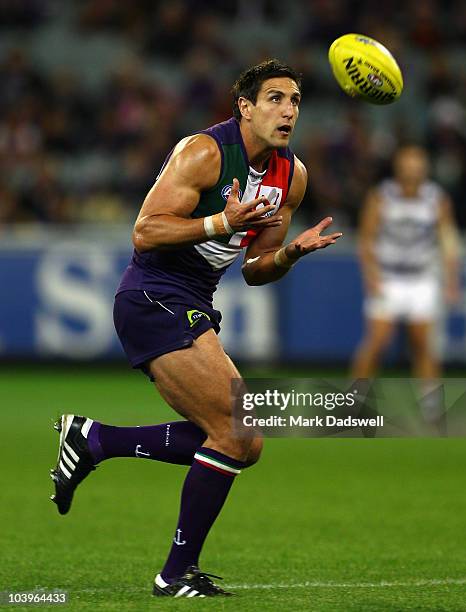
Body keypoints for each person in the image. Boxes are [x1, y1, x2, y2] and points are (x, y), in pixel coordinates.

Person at [49, 59, 342, 598]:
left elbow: (256, 269)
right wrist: (222, 221)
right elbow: (145, 231)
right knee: (237, 431)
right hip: (151, 297)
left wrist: (291, 255)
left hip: (193, 302)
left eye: (296, 100)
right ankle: (174, 574)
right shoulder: (204, 152)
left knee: (243, 443)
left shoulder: (291, 176)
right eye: (275, 98)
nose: (288, 110)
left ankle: (94, 440)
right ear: (245, 107)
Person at [351, 145, 461, 419]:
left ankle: (431, 403)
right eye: (408, 163)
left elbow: (448, 240)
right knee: (377, 341)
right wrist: (371, 275)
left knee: (423, 342)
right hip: (388, 276)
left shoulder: (436, 198)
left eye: (417, 163)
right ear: (398, 166)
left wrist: (451, 279)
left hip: (421, 277)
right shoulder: (381, 196)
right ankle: (355, 399)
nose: (413, 168)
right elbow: (366, 239)